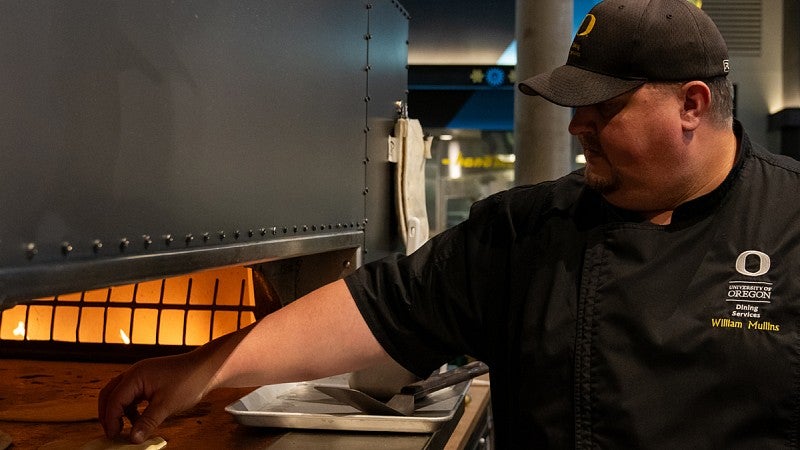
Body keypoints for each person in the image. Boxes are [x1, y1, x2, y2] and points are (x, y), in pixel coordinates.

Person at [99, 0, 800, 447]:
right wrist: (200, 370)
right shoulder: (529, 229)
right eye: (574, 104)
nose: (578, 124)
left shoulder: (790, 221)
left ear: (692, 104)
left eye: (604, 107)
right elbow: (378, 308)